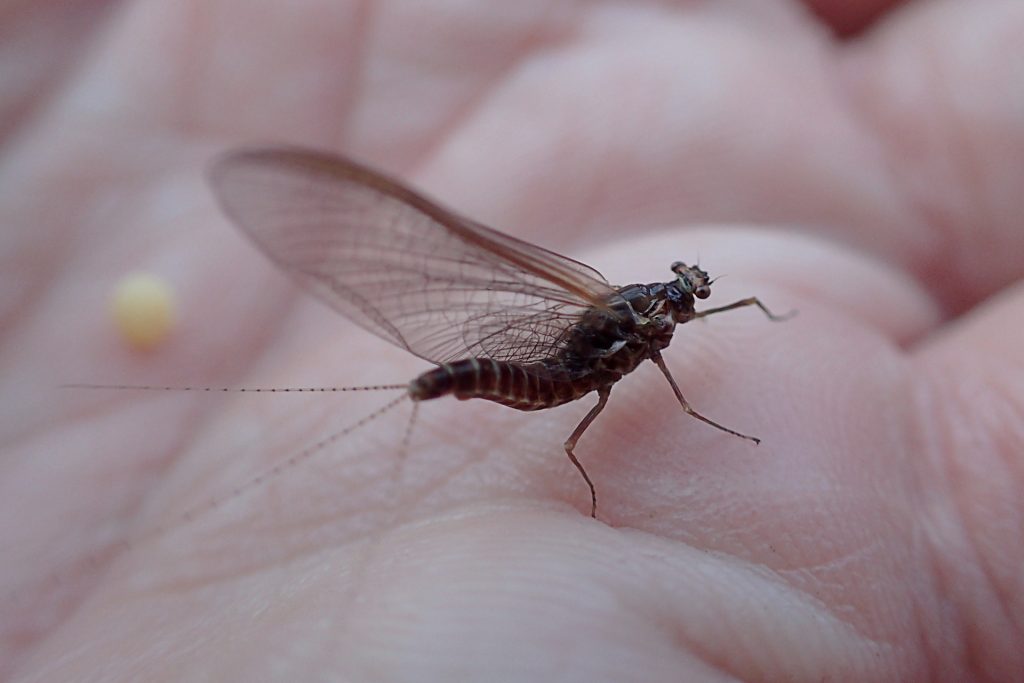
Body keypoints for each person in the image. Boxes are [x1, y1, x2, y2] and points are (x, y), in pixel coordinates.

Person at [2, 1, 1021, 680]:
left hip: (543, 377)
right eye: (684, 291)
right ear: (668, 297)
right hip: (528, 378)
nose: (688, 299)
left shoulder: (646, 318)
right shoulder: (629, 322)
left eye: (686, 293)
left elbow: (619, 380)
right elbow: (603, 400)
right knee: (572, 417)